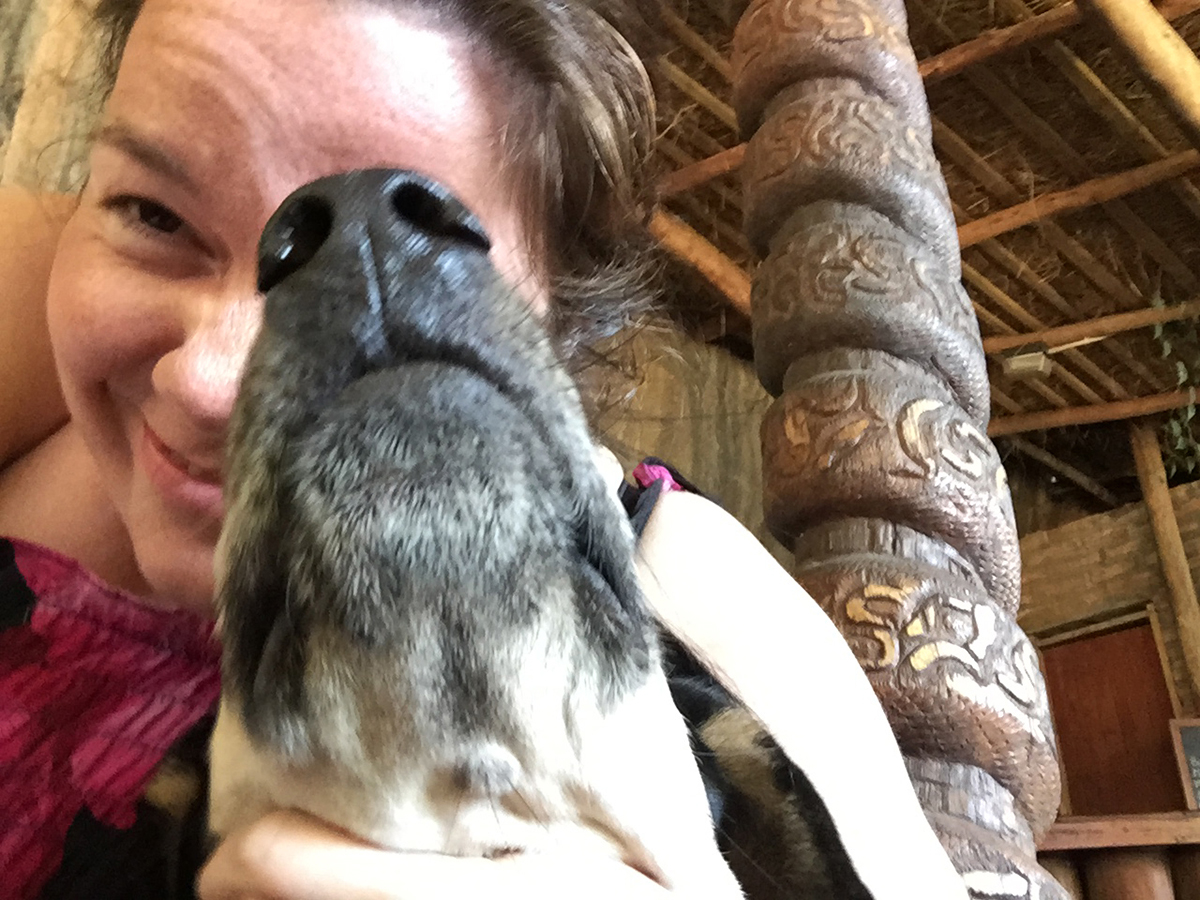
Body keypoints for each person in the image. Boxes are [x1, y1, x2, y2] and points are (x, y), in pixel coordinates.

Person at [0, 0, 970, 898]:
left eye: (413, 274)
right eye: (154, 214)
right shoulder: (35, 317)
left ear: (558, 320)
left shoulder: (694, 588)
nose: (205, 383)